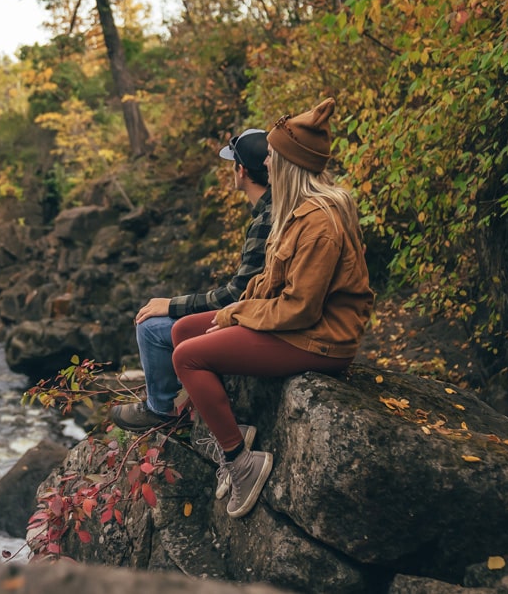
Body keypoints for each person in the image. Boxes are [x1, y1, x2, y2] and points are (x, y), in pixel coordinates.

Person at [169, 97, 374, 519]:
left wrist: (234, 315)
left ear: (289, 164)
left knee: (187, 357)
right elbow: (270, 281)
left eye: (273, 156)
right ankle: (226, 427)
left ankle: (242, 461)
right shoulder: (292, 209)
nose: (266, 162)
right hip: (296, 324)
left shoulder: (321, 223)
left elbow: (299, 309)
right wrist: (236, 309)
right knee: (183, 331)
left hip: (320, 339)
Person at [110, 127, 273, 433]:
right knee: (169, 325)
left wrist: (171, 305)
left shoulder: (267, 218)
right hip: (261, 315)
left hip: (258, 320)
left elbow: (237, 294)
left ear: (240, 171)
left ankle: (163, 410)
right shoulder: (275, 209)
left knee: (151, 328)